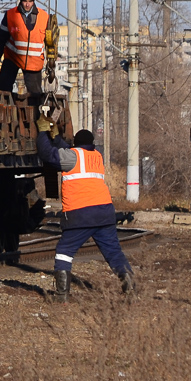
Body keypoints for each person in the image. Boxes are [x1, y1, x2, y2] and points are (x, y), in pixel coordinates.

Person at [37, 123, 135, 301]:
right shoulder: (96, 156)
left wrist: (43, 132)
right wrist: (57, 138)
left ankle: (62, 295)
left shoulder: (73, 157)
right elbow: (70, 150)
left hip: (81, 214)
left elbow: (47, 154)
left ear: (76, 143)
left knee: (64, 251)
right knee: (113, 251)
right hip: (105, 212)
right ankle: (128, 283)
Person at [0, 0, 58, 95]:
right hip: (13, 57)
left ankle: (36, 110)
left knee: (35, 94)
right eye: (25, 1)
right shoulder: (10, 15)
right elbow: (0, 37)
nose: (27, 4)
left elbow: (51, 42)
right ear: (21, 1)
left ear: (33, 2)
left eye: (30, 2)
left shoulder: (44, 17)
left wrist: (51, 60)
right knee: (4, 86)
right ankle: (6, 108)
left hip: (33, 62)